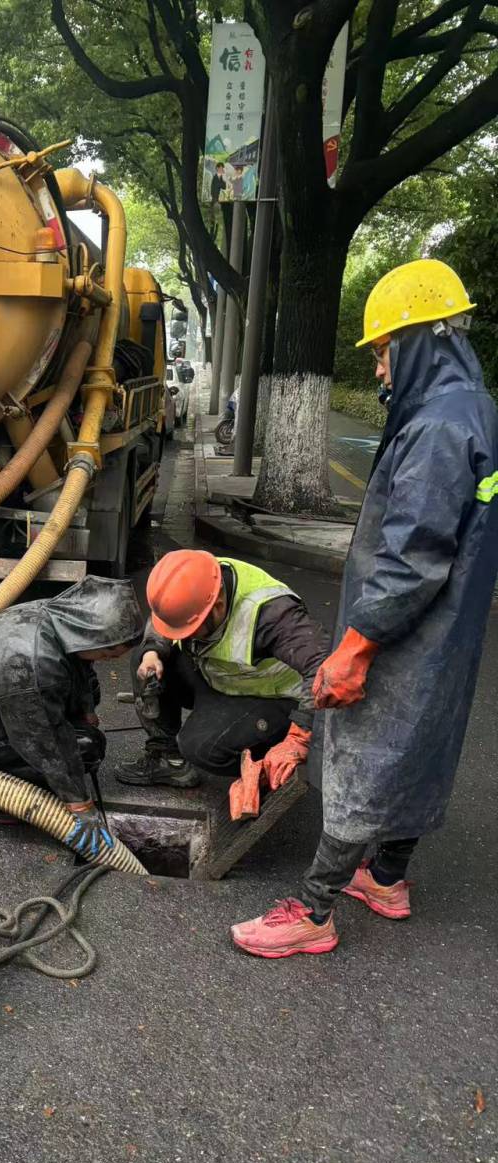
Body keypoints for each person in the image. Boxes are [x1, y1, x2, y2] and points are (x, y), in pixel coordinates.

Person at [232, 258, 498, 958]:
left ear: (422, 340)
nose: (379, 370)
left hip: (407, 633)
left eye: (382, 352)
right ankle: (386, 878)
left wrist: (356, 647)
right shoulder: (473, 409)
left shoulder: (438, 429)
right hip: (450, 630)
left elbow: (411, 556)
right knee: (418, 746)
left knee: (365, 759)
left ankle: (313, 913)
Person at [0, 576, 144, 858]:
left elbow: (83, 667)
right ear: (93, 637)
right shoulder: (33, 666)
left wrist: (86, 709)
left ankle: (43, 779)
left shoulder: (63, 618)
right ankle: (4, 800)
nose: (109, 661)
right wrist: (80, 805)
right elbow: (43, 741)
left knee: (84, 724)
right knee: (86, 748)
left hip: (5, 703)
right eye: (110, 655)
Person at [115, 551, 328, 806]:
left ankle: (265, 764)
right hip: (219, 676)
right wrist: (153, 652)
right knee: (145, 659)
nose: (185, 635)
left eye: (191, 629)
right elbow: (166, 620)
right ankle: (167, 760)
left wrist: (300, 737)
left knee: (201, 748)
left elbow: (325, 668)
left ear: (216, 606)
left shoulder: (273, 615)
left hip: (270, 698)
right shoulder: (197, 579)